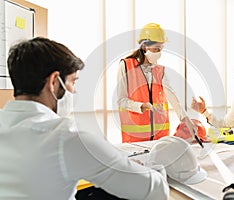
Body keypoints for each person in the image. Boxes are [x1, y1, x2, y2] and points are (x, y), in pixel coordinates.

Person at [0, 37, 169, 200]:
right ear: (54, 82)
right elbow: (155, 190)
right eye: (72, 82)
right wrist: (152, 166)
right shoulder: (66, 137)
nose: (73, 92)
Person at [117, 22, 197, 143]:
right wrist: (141, 106)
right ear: (144, 47)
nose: (159, 53)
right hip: (135, 140)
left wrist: (186, 120)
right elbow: (121, 101)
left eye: (161, 49)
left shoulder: (160, 71)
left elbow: (172, 96)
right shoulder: (126, 66)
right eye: (156, 49)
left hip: (160, 138)